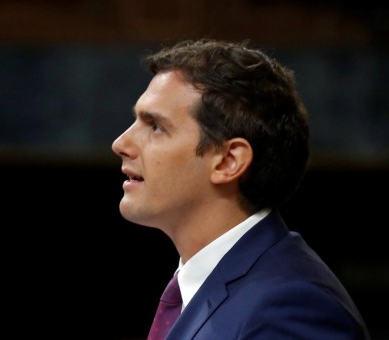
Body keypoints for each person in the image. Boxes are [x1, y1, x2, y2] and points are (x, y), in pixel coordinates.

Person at [111, 39, 370, 340]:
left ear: (228, 161)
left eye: (155, 126)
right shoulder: (216, 286)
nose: (121, 144)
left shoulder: (288, 308)